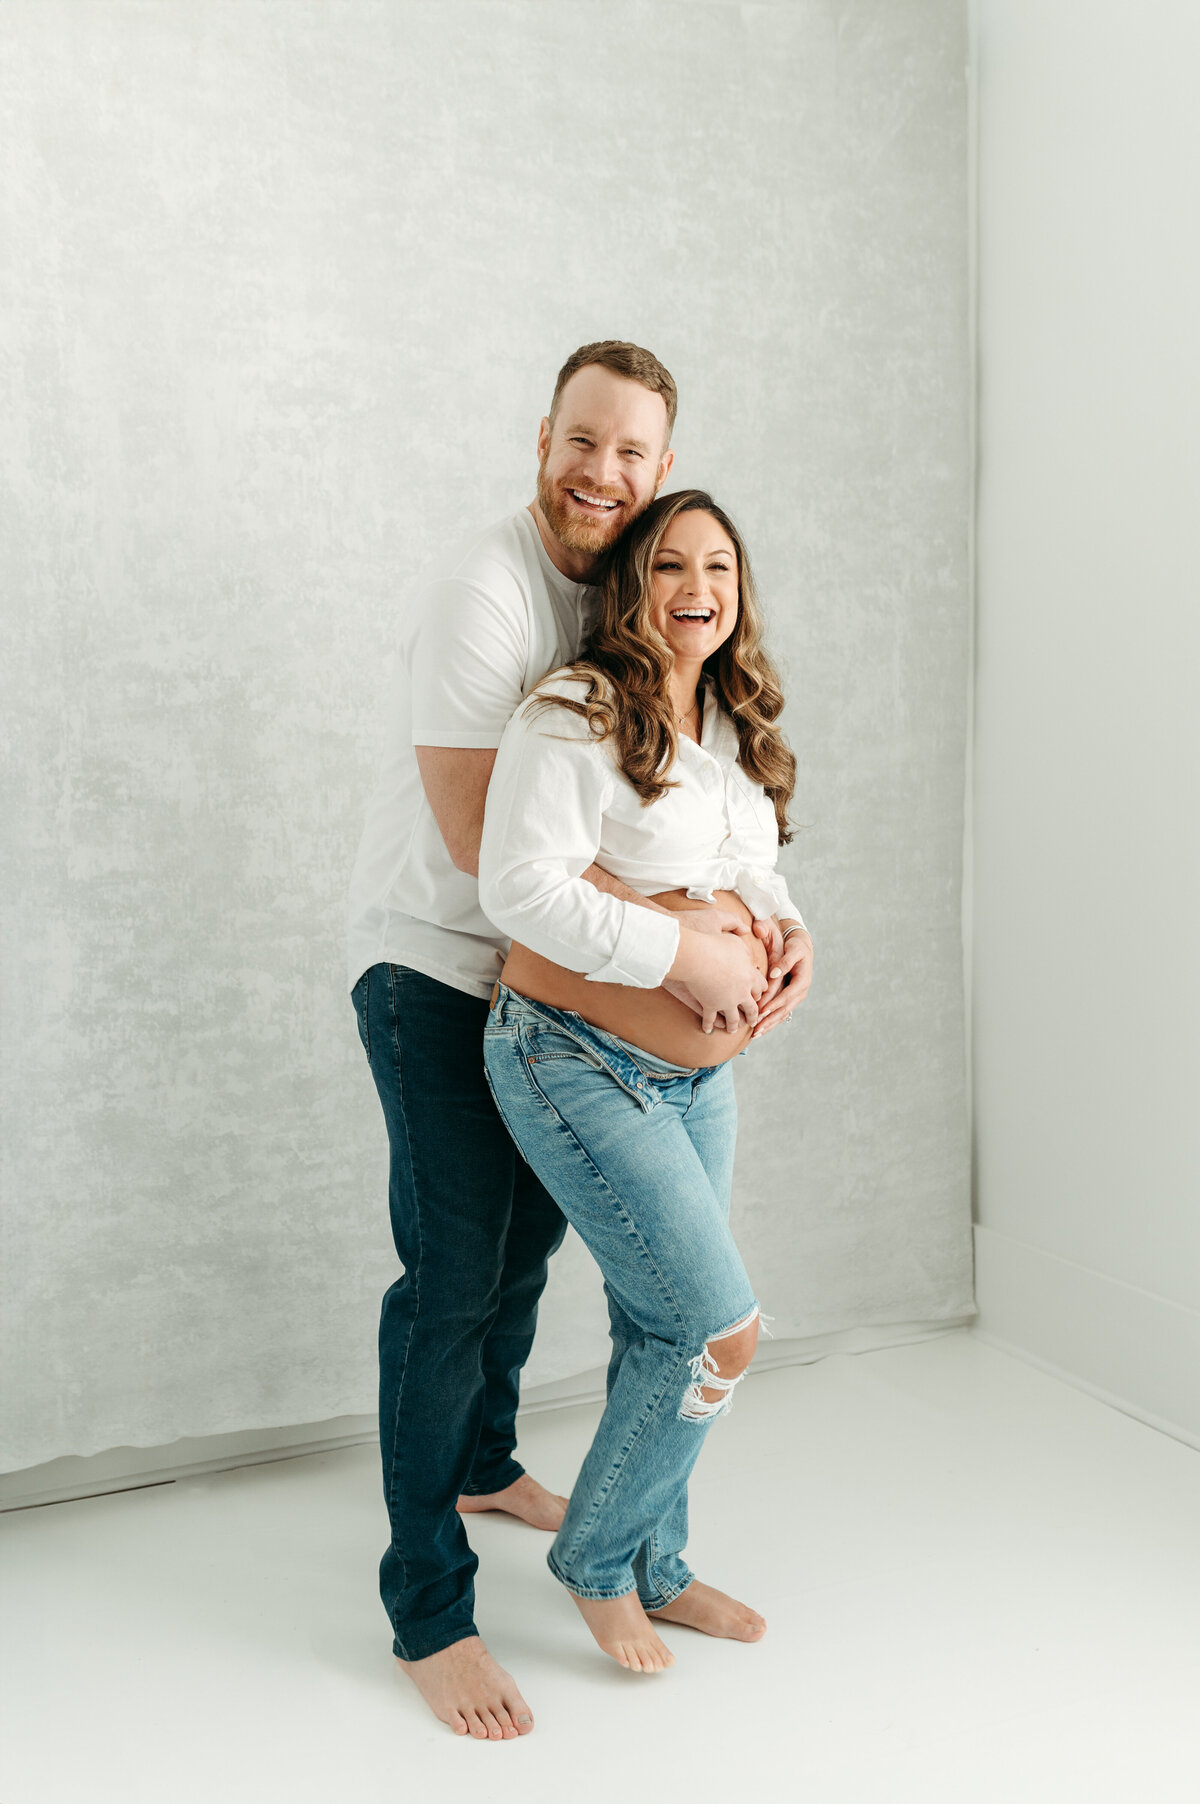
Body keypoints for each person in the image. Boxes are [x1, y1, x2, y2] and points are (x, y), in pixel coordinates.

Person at [346, 344, 772, 1740]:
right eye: (583, 442)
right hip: (446, 976)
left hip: (579, 1006)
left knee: (529, 1265)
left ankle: (486, 1465)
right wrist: (694, 944)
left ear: (660, 470)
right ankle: (430, 1612)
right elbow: (494, 868)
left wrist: (763, 919)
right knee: (455, 1285)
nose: (604, 472)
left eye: (633, 454)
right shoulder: (490, 595)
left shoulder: (634, 590)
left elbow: (688, 806)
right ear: (545, 438)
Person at [478, 488, 813, 1674]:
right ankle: (594, 1559)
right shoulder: (575, 711)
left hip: (690, 1081)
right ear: (631, 582)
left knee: (657, 1326)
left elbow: (749, 870)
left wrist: (785, 935)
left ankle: (658, 1569)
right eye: (670, 564)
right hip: (569, 1053)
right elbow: (519, 888)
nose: (696, 588)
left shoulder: (726, 720)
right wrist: (685, 952)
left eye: (719, 565)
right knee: (719, 1330)